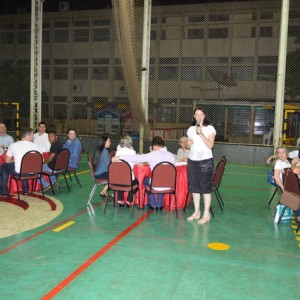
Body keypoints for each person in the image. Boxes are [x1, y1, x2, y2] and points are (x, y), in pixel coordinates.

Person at [112, 136, 176, 210]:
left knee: (146, 180)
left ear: (153, 146)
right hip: (169, 184)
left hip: (155, 184)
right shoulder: (171, 155)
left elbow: (136, 158)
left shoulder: (152, 155)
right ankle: (160, 204)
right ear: (162, 145)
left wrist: (120, 157)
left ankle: (152, 205)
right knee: (162, 179)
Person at [186, 106, 216, 225]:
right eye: (196, 114)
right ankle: (197, 211)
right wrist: (188, 144)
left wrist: (201, 133)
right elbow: (189, 146)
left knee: (205, 189)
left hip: (205, 161)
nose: (198, 116)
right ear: (194, 116)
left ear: (204, 116)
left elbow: (210, 145)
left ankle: (206, 214)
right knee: (194, 188)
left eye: (201, 114)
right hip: (192, 161)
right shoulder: (190, 129)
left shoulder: (210, 129)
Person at [0, 127, 42, 197]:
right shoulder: (36, 146)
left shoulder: (13, 145)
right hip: (34, 172)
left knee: (4, 166)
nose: (33, 137)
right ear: (27, 136)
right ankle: (25, 189)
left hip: (20, 173)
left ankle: (3, 191)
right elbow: (42, 160)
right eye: (32, 135)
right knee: (23, 167)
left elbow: (7, 161)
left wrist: (15, 160)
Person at [115, 135, 137, 206]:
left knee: (121, 177)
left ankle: (119, 200)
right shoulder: (132, 152)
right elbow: (134, 164)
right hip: (129, 180)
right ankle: (128, 200)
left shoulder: (118, 152)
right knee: (137, 182)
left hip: (118, 180)